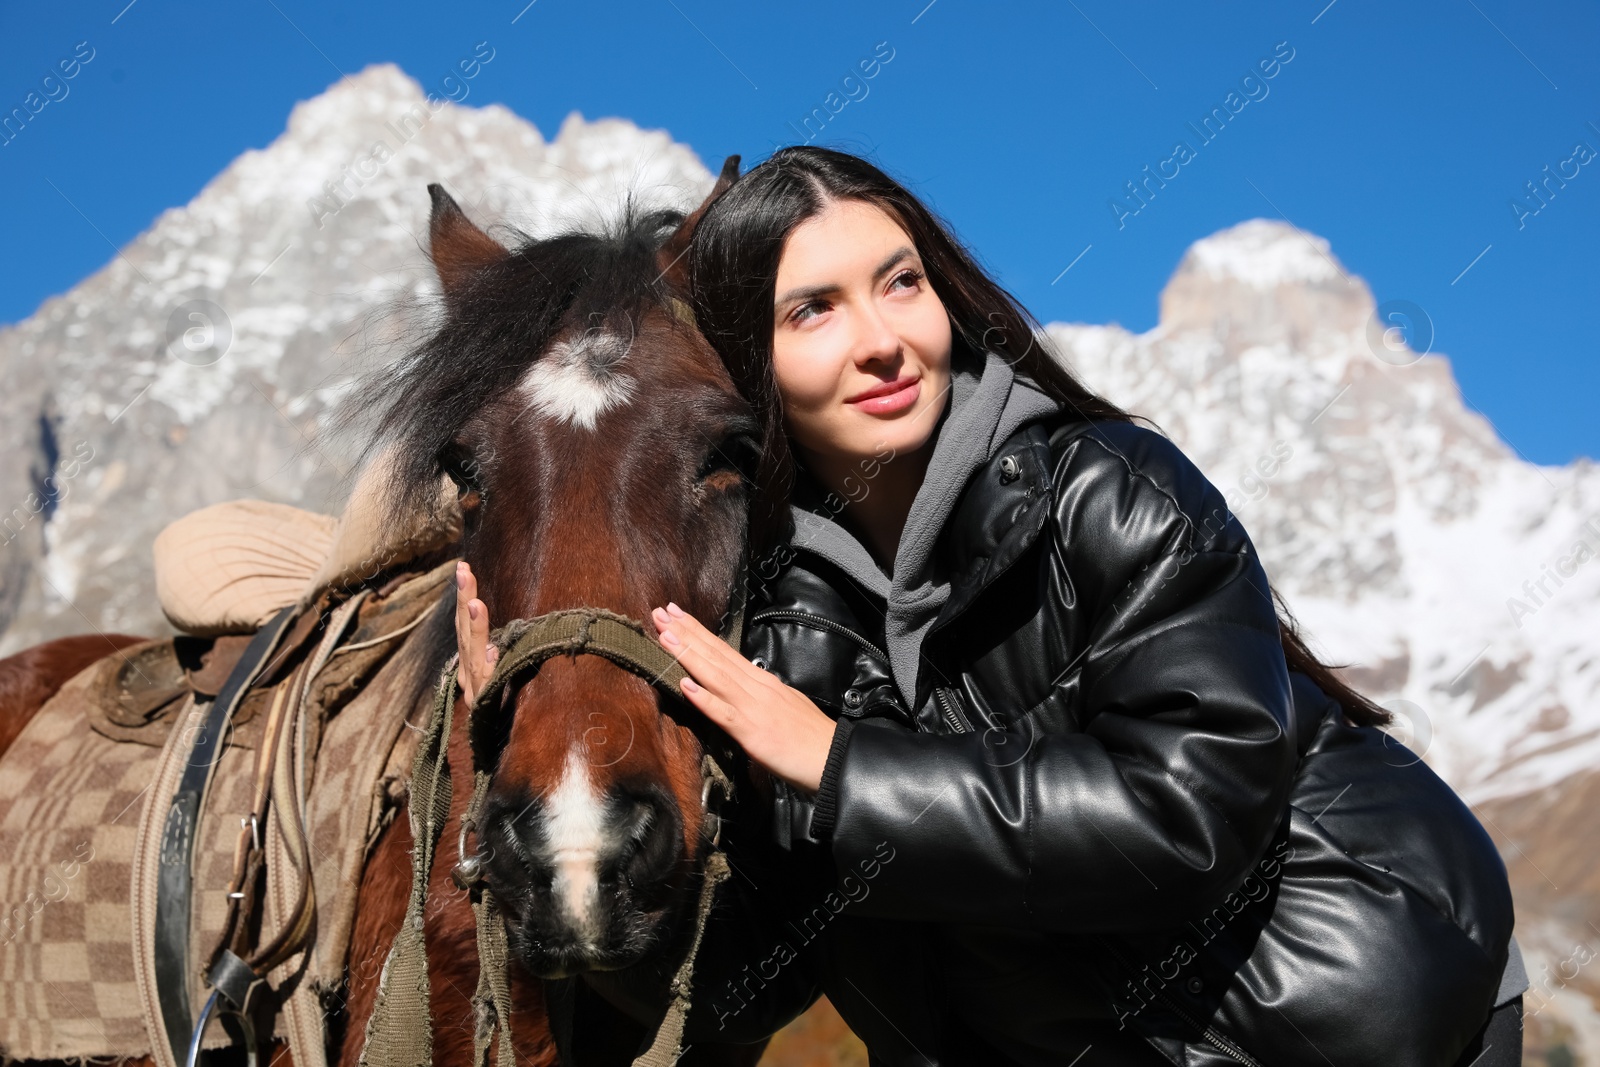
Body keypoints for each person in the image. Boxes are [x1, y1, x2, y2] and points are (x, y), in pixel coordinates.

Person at [456, 146, 1527, 1066]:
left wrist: (841, 766)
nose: (880, 338)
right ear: (749, 360)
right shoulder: (777, 626)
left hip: (1352, 1016)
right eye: (813, 309)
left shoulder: (1108, 488)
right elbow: (745, 987)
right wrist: (537, 776)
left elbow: (1190, 814)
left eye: (901, 284)